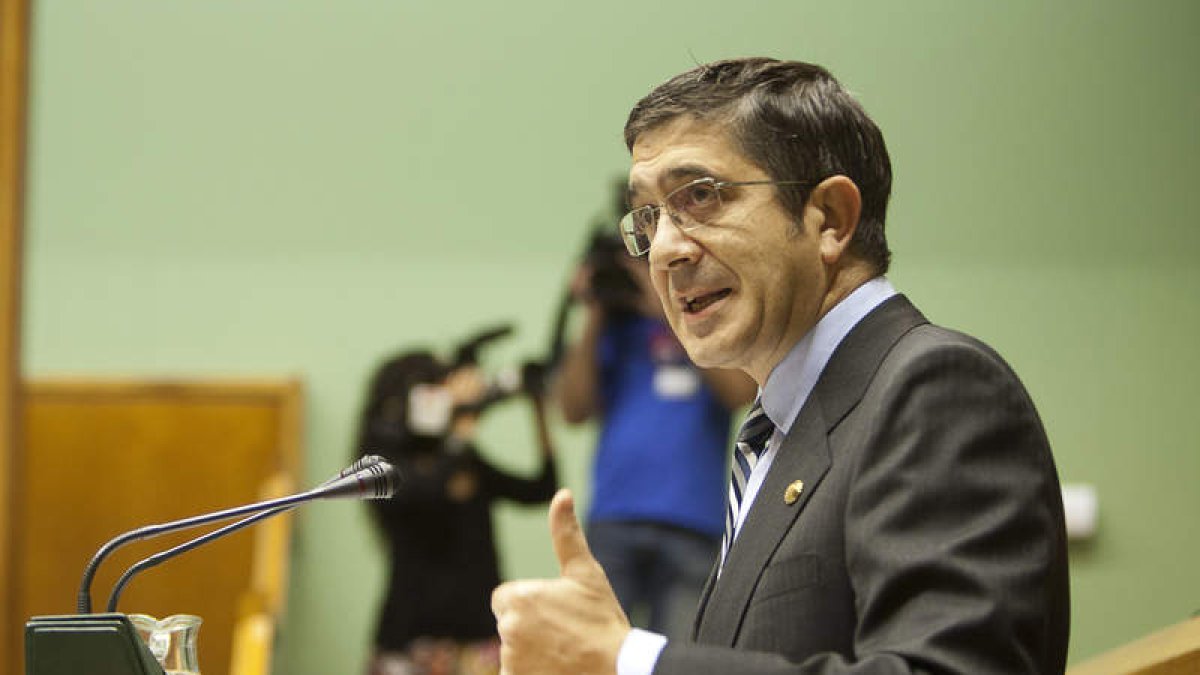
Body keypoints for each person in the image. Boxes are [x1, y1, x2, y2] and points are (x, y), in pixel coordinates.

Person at [491, 57, 1070, 674]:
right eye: (649, 217)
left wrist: (633, 660)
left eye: (700, 197)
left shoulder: (936, 388)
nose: (663, 250)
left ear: (829, 220)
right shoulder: (775, 437)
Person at [553, 221, 755, 639]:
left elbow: (740, 392)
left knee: (679, 660)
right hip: (616, 516)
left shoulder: (707, 325)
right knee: (597, 655)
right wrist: (592, 313)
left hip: (693, 522)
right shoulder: (615, 329)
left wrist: (669, 313)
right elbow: (571, 410)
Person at [355, 348, 557, 675]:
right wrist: (461, 432)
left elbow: (539, 490)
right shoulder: (383, 466)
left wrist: (537, 409)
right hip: (412, 640)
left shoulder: (462, 457)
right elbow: (428, 491)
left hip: (479, 637)